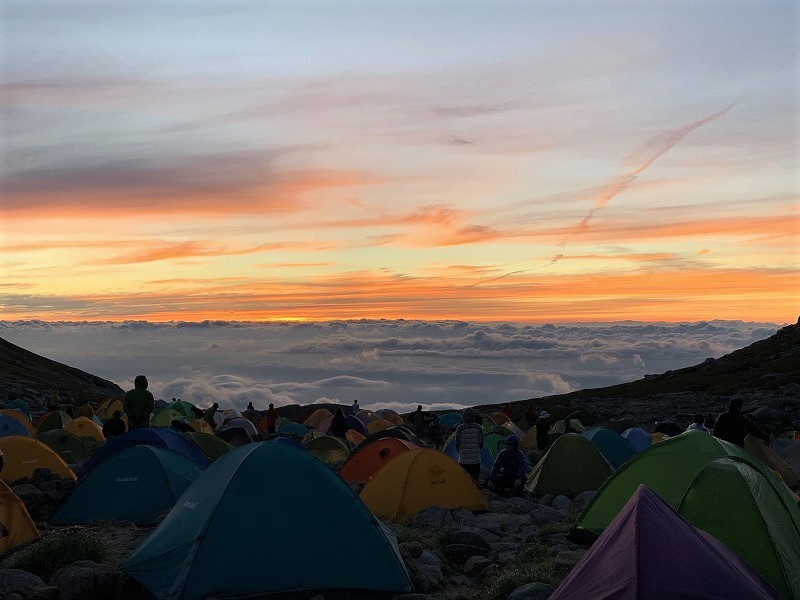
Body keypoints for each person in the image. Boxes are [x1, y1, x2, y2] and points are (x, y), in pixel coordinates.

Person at [455, 408, 484, 482]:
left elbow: (457, 443)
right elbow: (481, 442)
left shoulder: (460, 428)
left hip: (463, 460)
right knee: (475, 480)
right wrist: (477, 450)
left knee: (464, 480)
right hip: (475, 459)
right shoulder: (478, 427)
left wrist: (460, 452)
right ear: (473, 417)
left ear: (464, 417)